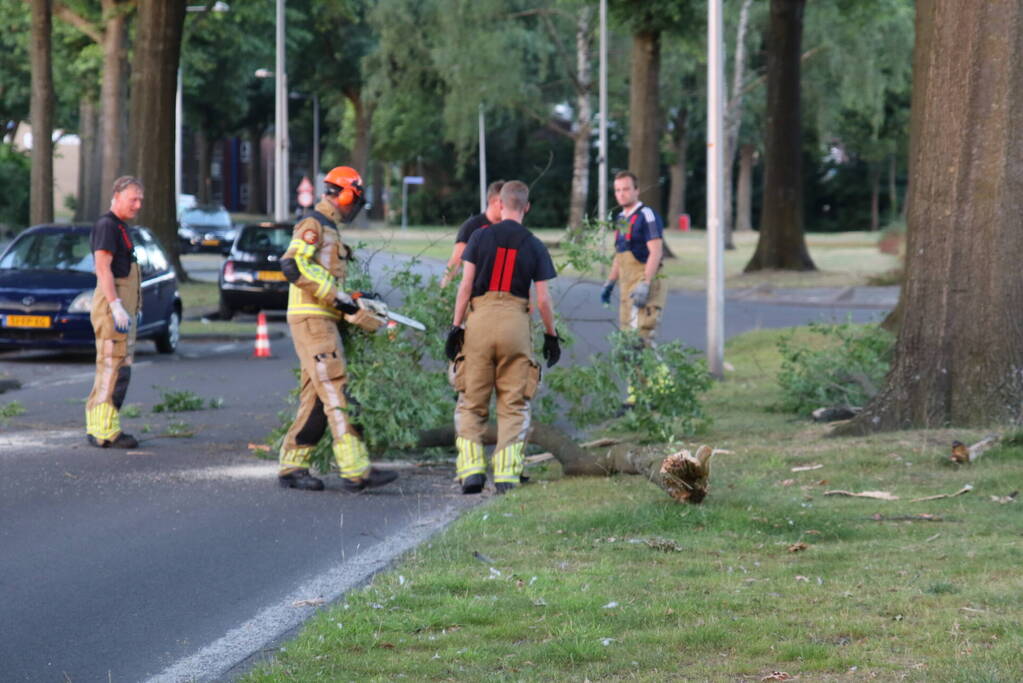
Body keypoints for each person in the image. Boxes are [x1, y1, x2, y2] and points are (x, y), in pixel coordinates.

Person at [277, 165, 398, 492]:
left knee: (316, 398)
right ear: (345, 194)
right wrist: (338, 298)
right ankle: (356, 470)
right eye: (354, 201)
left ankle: (293, 466)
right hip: (313, 318)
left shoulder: (330, 228)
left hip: (322, 316)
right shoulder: (313, 225)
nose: (354, 208)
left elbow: (323, 276)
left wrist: (353, 299)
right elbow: (292, 264)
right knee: (335, 388)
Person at [445, 180, 560, 495]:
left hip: (479, 321)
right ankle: (507, 475)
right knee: (514, 402)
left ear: (500, 204)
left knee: (471, 400)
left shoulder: (480, 236)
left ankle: (471, 471)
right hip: (515, 324)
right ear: (527, 206)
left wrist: (456, 327)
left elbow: (465, 286)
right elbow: (544, 300)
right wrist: (552, 336)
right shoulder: (534, 244)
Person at [85, 176, 144, 448]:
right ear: (117, 196)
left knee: (117, 368)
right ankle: (105, 431)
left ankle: (100, 425)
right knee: (112, 369)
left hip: (123, 309)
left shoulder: (120, 226)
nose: (138, 205)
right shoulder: (107, 225)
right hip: (113, 311)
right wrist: (116, 304)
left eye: (140, 199)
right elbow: (103, 268)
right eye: (133, 199)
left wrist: (135, 307)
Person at [599, 171, 667, 345]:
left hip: (645, 282)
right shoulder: (621, 219)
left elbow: (656, 252)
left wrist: (645, 283)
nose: (621, 194)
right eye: (618, 190)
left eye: (626, 189)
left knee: (641, 340)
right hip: (627, 287)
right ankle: (635, 374)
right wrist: (610, 282)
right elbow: (620, 254)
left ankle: (657, 373)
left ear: (637, 190)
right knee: (626, 339)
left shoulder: (647, 215)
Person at [439, 180, 505, 288]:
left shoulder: (510, 227)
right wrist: (444, 290)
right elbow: (456, 260)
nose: (509, 206)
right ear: (494, 201)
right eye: (505, 202)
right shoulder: (472, 226)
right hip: (478, 292)